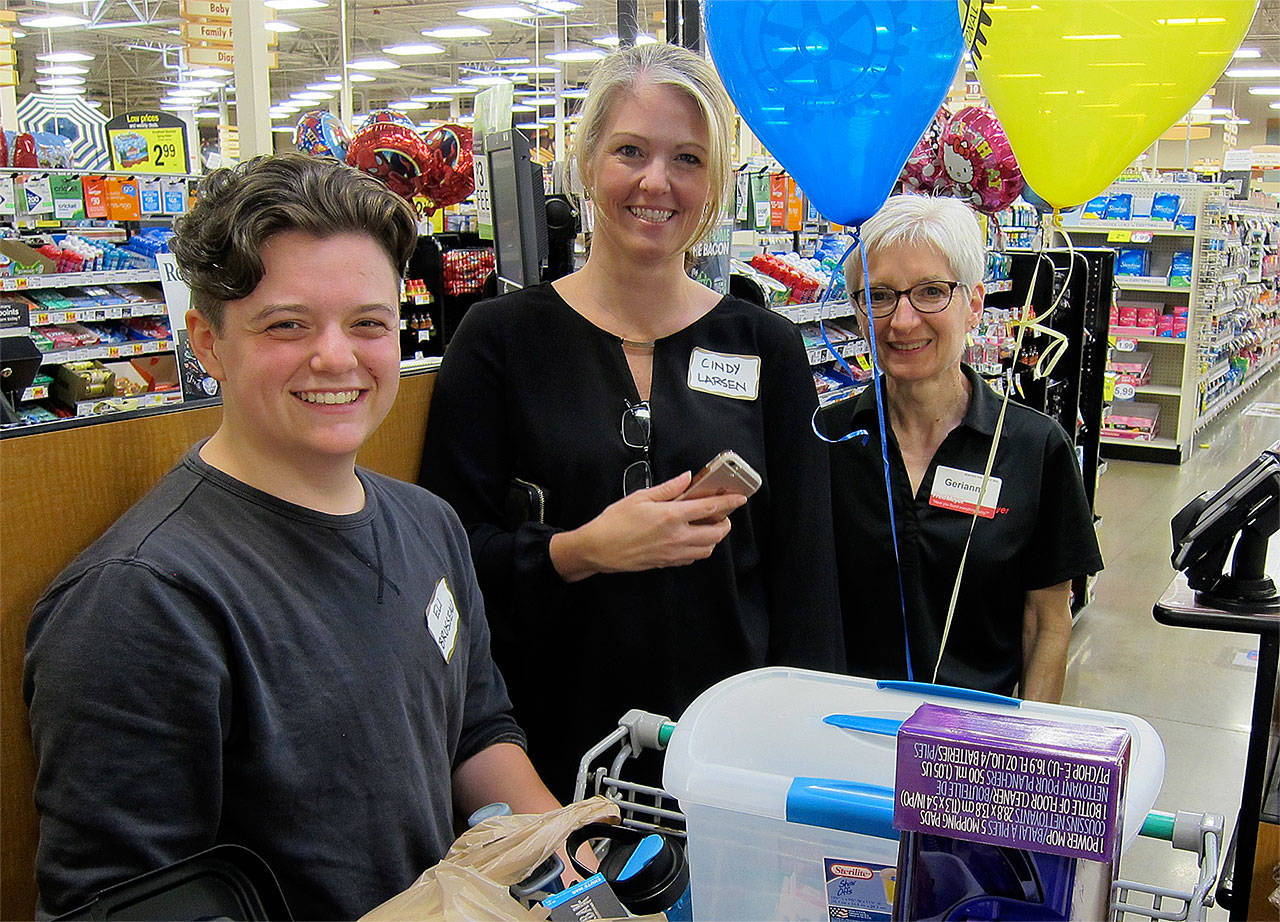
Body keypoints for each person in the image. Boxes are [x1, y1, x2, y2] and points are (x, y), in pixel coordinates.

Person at [23, 153, 561, 921]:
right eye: (288, 324)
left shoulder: (427, 524)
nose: (337, 357)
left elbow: (476, 733)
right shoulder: (142, 597)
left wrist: (562, 858)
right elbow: (115, 902)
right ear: (207, 343)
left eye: (368, 323)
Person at [419, 43, 844, 801]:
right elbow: (447, 564)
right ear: (586, 164)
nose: (657, 181)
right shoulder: (498, 341)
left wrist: (801, 770)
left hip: (725, 765)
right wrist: (579, 551)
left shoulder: (765, 346)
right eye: (630, 151)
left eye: (687, 157)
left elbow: (807, 578)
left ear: (713, 181)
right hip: (544, 759)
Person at [822, 194, 1102, 703]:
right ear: (858, 313)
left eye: (931, 292)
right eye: (879, 296)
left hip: (972, 756)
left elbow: (1046, 623)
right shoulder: (823, 439)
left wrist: (1024, 755)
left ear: (974, 304)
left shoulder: (1035, 450)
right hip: (840, 739)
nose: (903, 321)